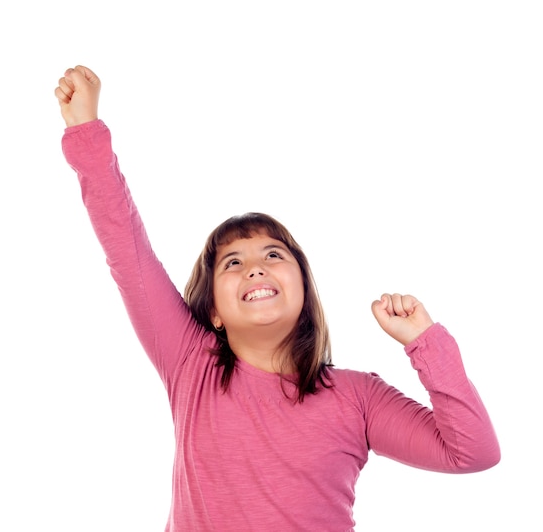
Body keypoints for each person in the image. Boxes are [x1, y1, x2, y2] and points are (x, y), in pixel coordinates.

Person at [55, 65, 500, 531]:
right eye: (232, 262)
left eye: (273, 253)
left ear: (304, 289)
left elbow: (473, 452)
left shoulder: (358, 397)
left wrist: (425, 342)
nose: (255, 267)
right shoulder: (190, 363)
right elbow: (126, 249)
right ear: (214, 312)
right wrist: (86, 130)